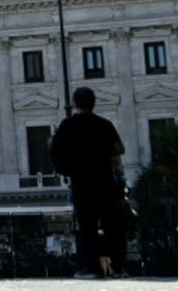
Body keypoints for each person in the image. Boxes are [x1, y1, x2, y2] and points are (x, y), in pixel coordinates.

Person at [50, 86, 127, 279]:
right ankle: (118, 267)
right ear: (93, 103)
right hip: (105, 181)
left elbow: (56, 150)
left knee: (87, 226)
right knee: (112, 226)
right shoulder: (104, 124)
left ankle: (91, 268)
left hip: (82, 182)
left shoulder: (67, 125)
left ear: (75, 103)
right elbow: (119, 148)